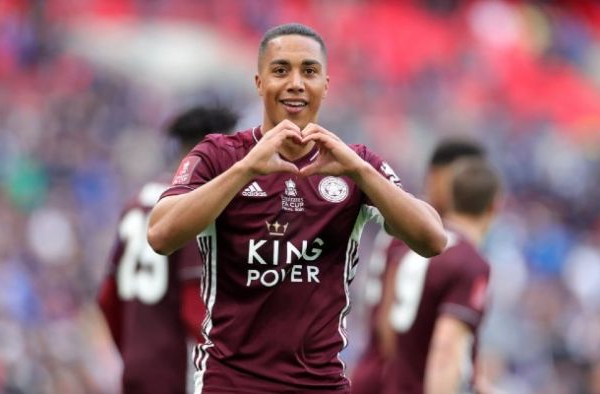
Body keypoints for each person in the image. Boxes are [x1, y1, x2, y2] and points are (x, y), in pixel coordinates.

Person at [147, 23, 447, 393]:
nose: (295, 83)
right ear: (259, 83)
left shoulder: (354, 164)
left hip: (320, 384)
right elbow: (160, 235)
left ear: (325, 84)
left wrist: (361, 171)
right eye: (280, 70)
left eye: (309, 71)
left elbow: (432, 239)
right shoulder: (220, 156)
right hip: (230, 383)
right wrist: (247, 170)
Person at [97, 105, 239, 394]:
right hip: (178, 371)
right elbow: (194, 306)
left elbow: (107, 298)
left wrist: (134, 352)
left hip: (137, 368)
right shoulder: (191, 208)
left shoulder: (137, 202)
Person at [351, 138, 485, 394]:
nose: (467, 187)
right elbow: (390, 328)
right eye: (461, 176)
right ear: (435, 176)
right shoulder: (409, 228)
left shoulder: (451, 237)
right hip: (388, 381)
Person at [383, 157, 500, 394]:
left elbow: (386, 329)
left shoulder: (413, 248)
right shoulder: (470, 263)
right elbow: (446, 350)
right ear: (493, 207)